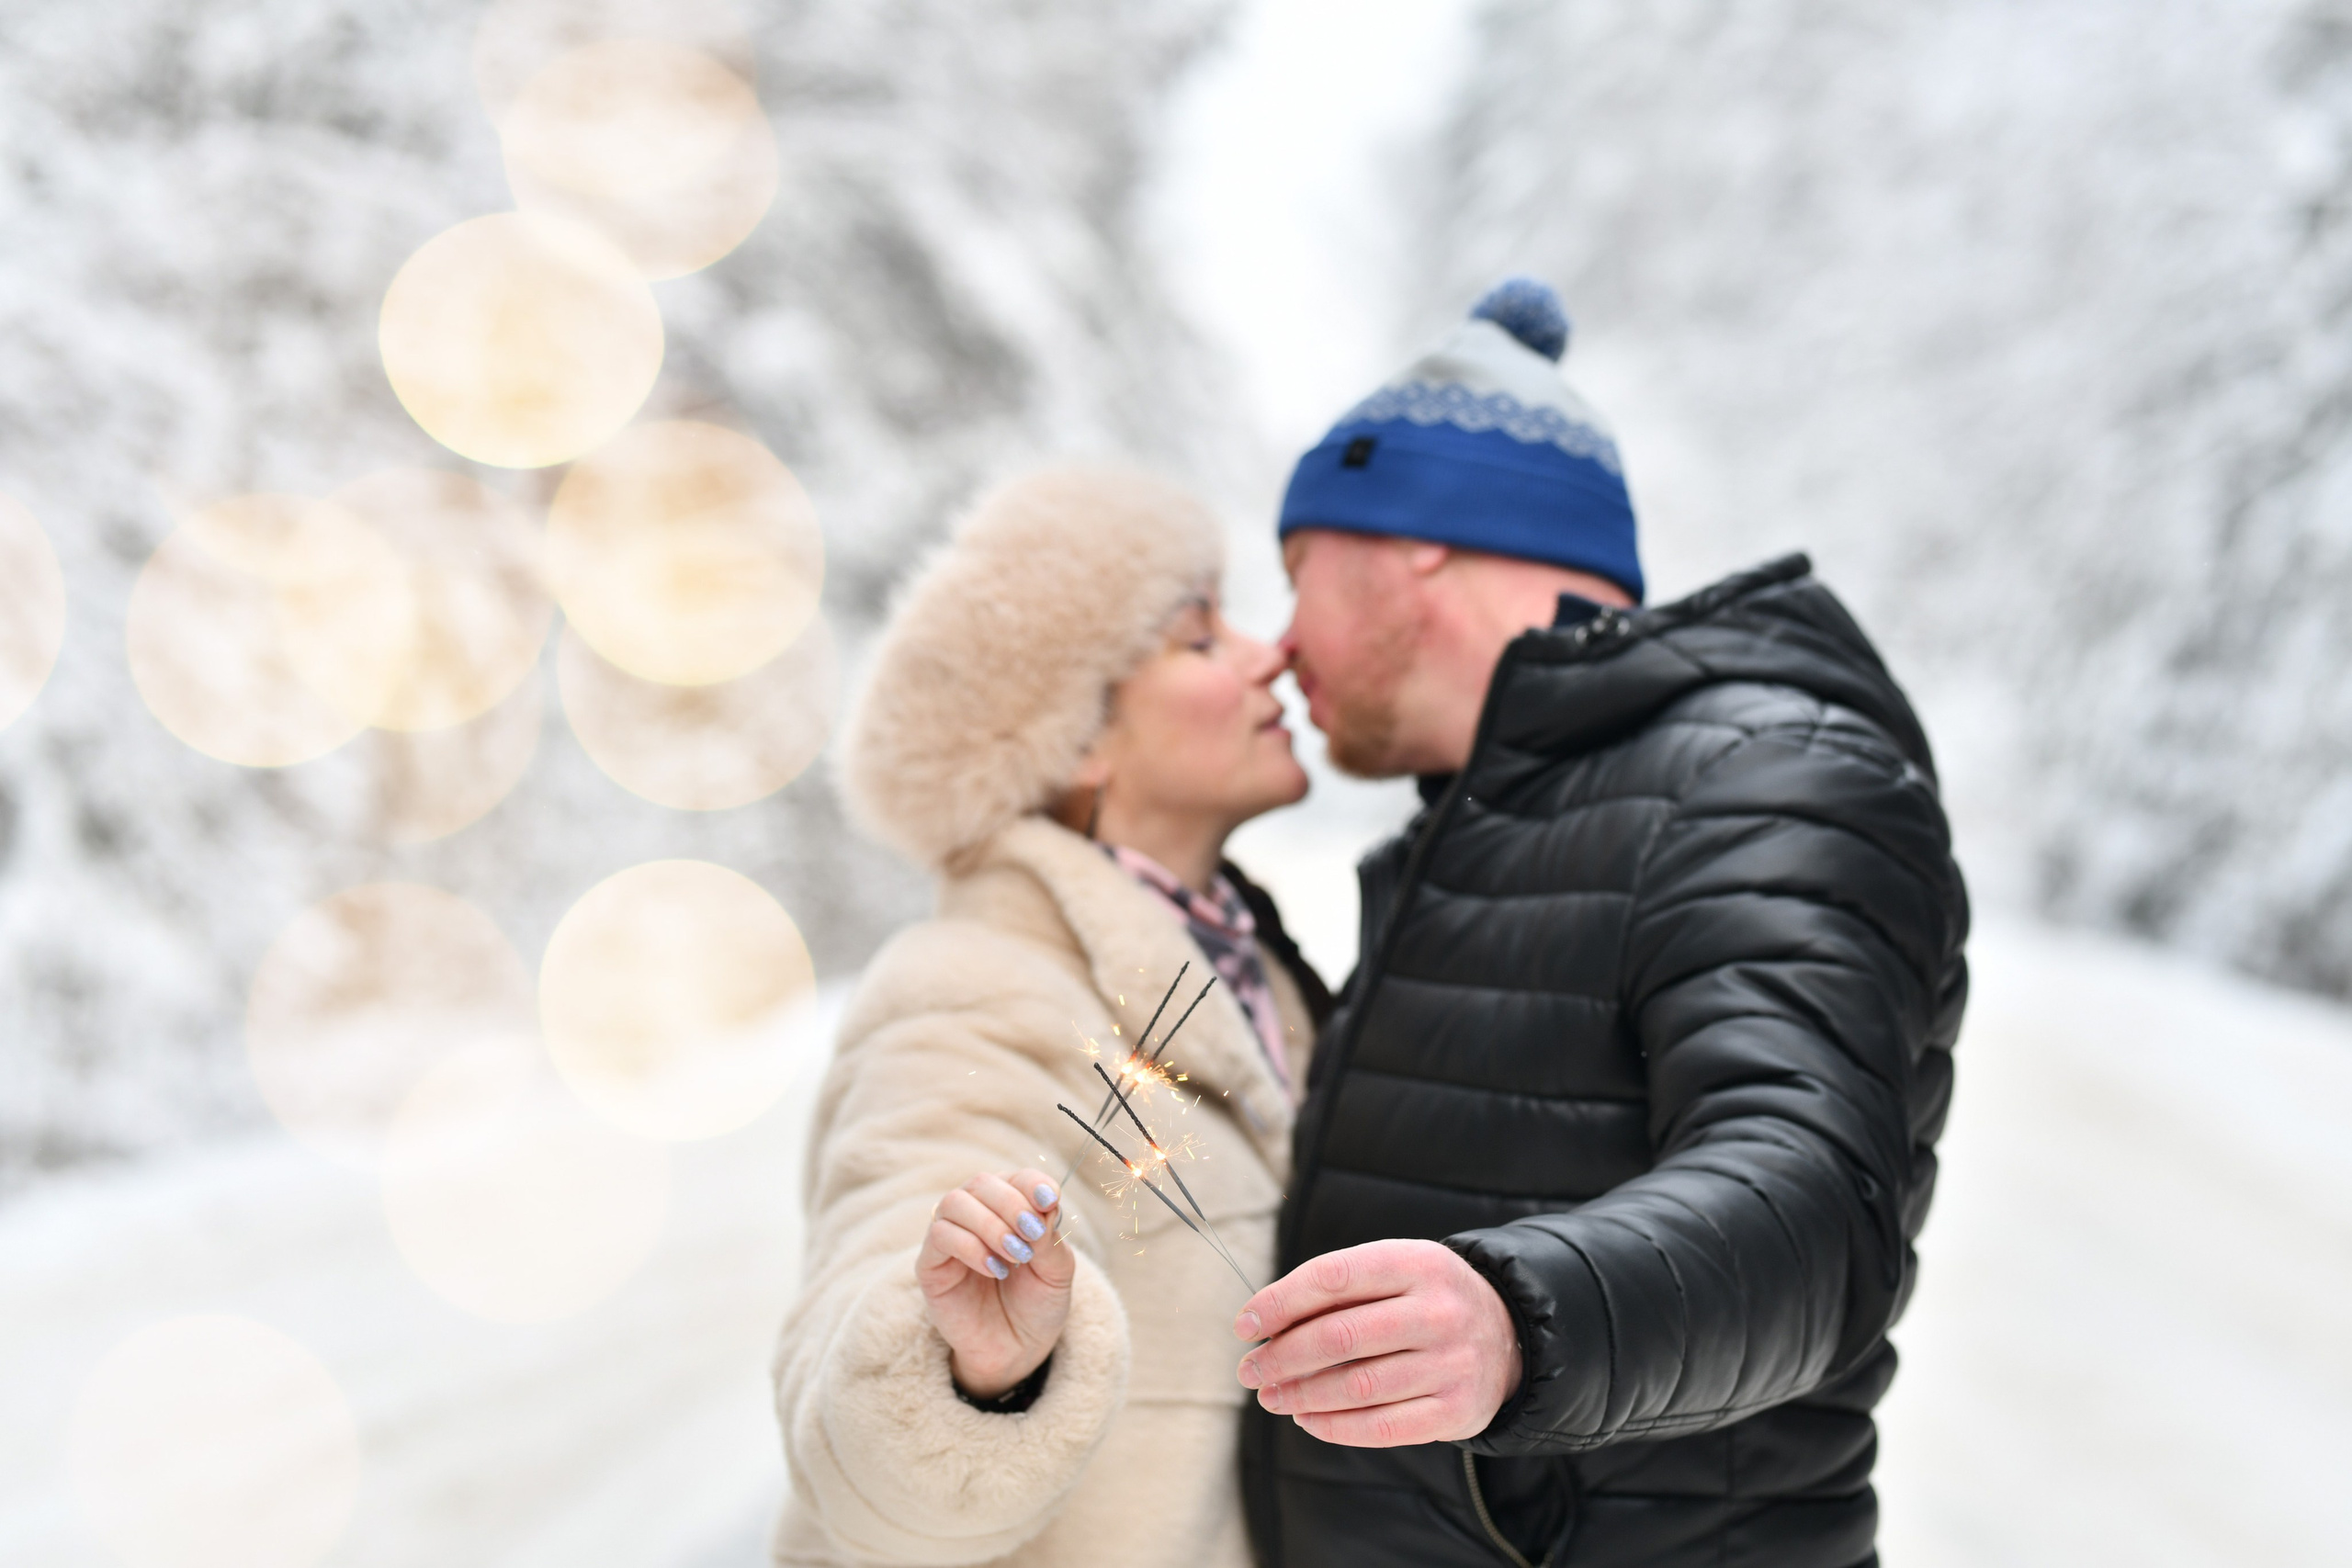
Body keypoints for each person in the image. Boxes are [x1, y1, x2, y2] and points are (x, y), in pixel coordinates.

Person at [1232, 279, 1970, 1568]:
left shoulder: (1763, 772)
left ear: (1418, 537)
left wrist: (1521, 1317)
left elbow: (1808, 1197)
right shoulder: (1481, 827)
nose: (1283, 643)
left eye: (1301, 573)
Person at [772, 466, 1334, 1568]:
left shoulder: (1249, 977)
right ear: (1075, 738)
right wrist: (976, 1369)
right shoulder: (973, 986)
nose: (1271, 653)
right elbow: (875, 1302)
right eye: (1200, 640)